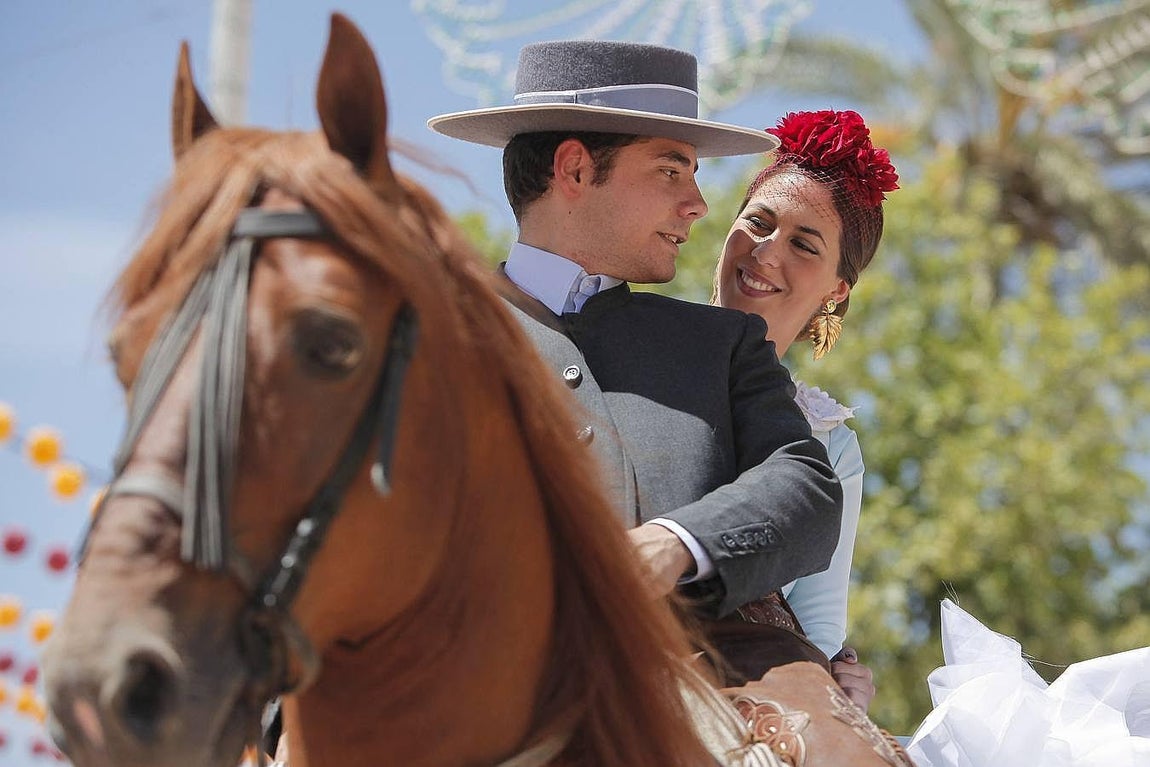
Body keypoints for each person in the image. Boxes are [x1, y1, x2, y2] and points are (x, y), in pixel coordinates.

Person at [428, 40, 843, 620]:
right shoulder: (427, 338)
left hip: (698, 694)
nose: (698, 204)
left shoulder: (724, 344)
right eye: (672, 170)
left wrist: (677, 543)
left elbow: (807, 488)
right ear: (574, 169)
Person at [712, 108, 899, 710]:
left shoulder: (830, 444)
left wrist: (835, 679)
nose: (766, 253)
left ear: (836, 290)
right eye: (758, 222)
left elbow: (818, 627)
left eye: (803, 244)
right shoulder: (626, 346)